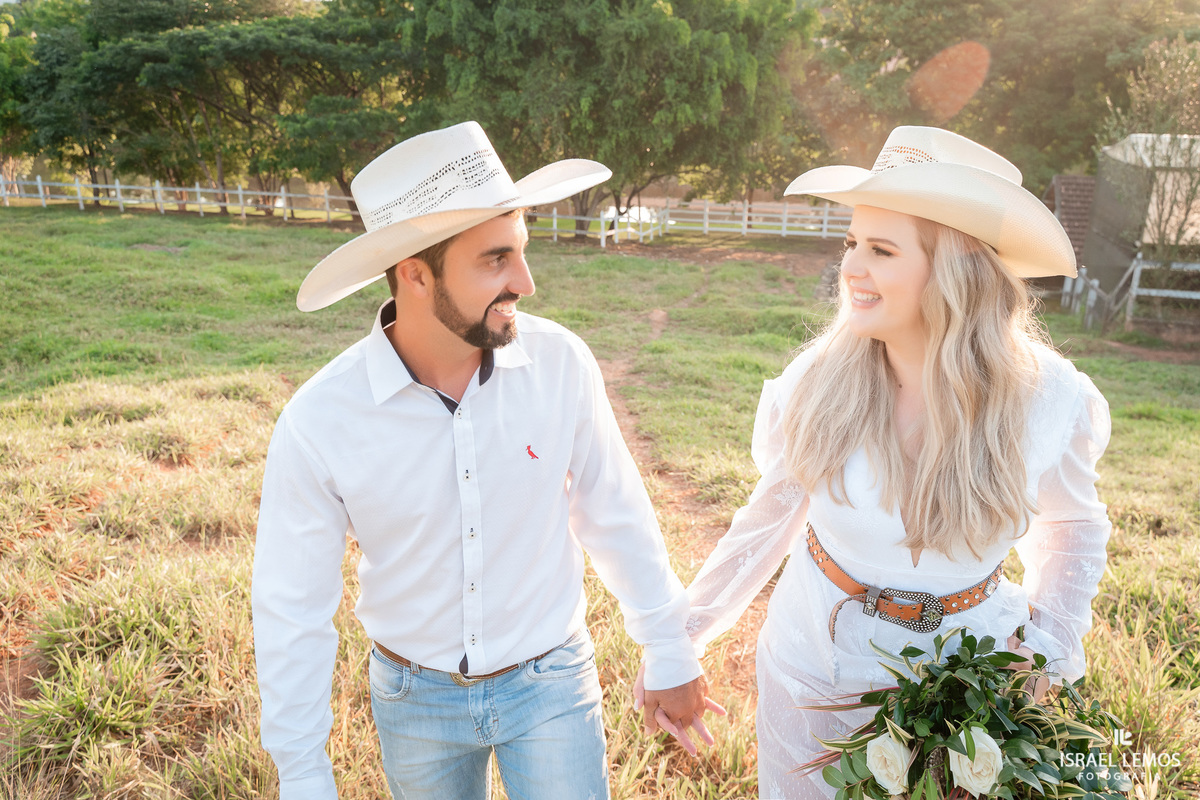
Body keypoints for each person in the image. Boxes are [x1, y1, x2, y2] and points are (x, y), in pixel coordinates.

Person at [252, 121, 721, 800]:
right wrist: (301, 774)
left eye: (522, 252)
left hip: (551, 680)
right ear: (415, 274)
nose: (526, 282)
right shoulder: (320, 421)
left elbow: (614, 512)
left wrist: (670, 646)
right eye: (495, 259)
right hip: (415, 698)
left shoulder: (560, 364)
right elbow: (291, 610)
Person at [678, 127, 1112, 798]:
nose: (852, 267)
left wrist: (1049, 650)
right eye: (852, 243)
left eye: (881, 249)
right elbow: (767, 524)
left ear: (955, 269)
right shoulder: (820, 377)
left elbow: (1074, 530)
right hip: (811, 665)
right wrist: (682, 639)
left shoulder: (1047, 397)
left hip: (963, 684)